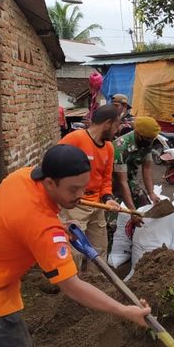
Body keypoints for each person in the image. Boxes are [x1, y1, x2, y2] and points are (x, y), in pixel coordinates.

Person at [0, 145, 150, 347]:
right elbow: (72, 287)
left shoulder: (20, 178)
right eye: (72, 189)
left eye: (83, 188)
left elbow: (23, 220)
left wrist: (60, 226)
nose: (80, 196)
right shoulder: (44, 229)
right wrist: (124, 311)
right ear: (50, 182)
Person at [58, 105, 120, 260]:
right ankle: (72, 282)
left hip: (97, 206)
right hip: (75, 206)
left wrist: (108, 199)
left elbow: (106, 180)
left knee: (100, 250)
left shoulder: (109, 148)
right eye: (116, 126)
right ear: (107, 124)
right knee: (74, 252)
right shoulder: (76, 139)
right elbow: (54, 165)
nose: (117, 131)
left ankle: (99, 283)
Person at [112, 116, 163, 226]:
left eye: (152, 139)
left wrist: (151, 193)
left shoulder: (147, 141)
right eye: (148, 139)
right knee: (111, 221)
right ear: (137, 134)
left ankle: (137, 239)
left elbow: (147, 168)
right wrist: (132, 211)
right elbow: (121, 182)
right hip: (112, 182)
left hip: (129, 179)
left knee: (144, 206)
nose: (150, 142)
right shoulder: (121, 147)